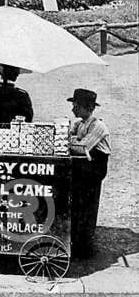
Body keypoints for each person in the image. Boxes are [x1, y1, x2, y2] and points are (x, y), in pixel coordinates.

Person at [68, 87, 111, 260]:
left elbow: (82, 147)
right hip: (82, 168)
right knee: (77, 205)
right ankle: (76, 242)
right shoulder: (79, 124)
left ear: (87, 107)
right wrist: (74, 141)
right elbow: (70, 139)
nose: (73, 109)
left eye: (76, 106)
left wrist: (74, 141)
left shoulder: (99, 126)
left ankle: (85, 247)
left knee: (87, 207)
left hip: (94, 169)